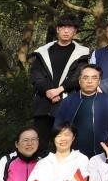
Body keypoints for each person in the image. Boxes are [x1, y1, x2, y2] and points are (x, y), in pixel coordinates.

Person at [29, 14, 91, 145]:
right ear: (57, 29)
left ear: (75, 31)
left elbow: (79, 75)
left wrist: (59, 90)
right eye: (63, 27)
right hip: (44, 104)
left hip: (68, 103)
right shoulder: (43, 51)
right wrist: (48, 91)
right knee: (40, 144)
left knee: (64, 143)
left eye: (70, 28)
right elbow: (36, 74)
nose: (66, 31)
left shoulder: (82, 53)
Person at [54, 64, 108, 158]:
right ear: (79, 81)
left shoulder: (107, 101)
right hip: (72, 154)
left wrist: (105, 142)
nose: (89, 81)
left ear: (99, 81)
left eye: (94, 78)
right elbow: (58, 126)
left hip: (99, 154)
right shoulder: (68, 101)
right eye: (85, 78)